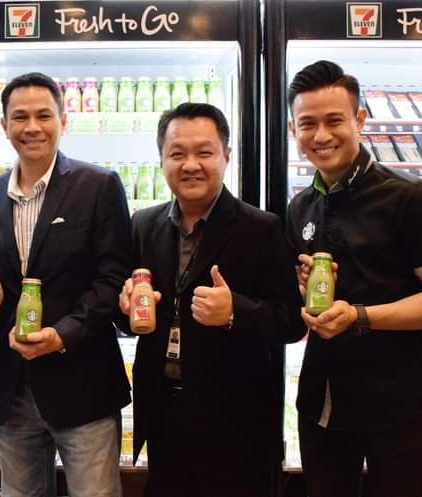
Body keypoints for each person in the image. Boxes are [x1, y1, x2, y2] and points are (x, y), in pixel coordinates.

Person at [286, 60, 422, 497]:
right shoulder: (301, 207)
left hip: (397, 403)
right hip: (323, 402)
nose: (321, 135)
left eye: (334, 121)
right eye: (308, 124)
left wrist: (360, 315)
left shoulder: (414, 198)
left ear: (359, 120)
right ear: (292, 130)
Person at [118, 102, 305, 497]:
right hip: (163, 413)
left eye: (204, 152)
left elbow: (290, 320)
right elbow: (128, 316)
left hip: (236, 420)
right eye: (177, 154)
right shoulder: (144, 225)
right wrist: (125, 307)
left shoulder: (261, 228)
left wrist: (235, 311)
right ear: (162, 159)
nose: (190, 165)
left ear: (226, 155)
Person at [0, 72, 132, 497]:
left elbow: (112, 280)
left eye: (44, 115)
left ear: (63, 120)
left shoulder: (99, 185)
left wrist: (62, 335)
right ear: (4, 125)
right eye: (20, 117)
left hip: (84, 385)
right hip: (11, 388)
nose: (32, 127)